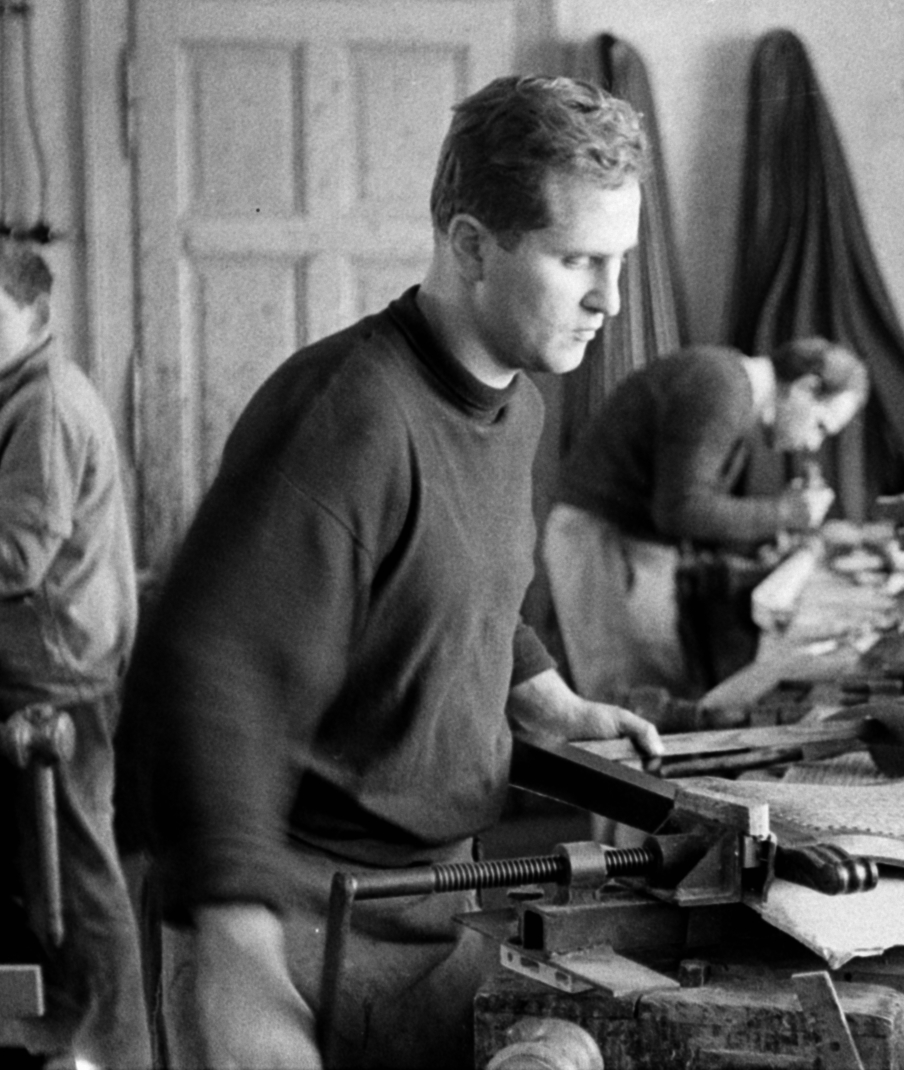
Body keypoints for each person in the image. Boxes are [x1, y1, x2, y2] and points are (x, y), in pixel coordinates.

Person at [119, 76, 664, 1069]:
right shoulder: (348, 416)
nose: (609, 300)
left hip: (429, 896)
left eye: (619, 261)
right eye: (578, 260)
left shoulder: (519, 404)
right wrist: (237, 951)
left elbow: (471, 575)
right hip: (288, 909)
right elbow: (205, 675)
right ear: (467, 246)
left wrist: (544, 697)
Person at [0, 239, 151, 1068]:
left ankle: (117, 1053)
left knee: (84, 883)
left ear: (36, 318)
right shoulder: (16, 392)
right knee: (50, 878)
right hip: (43, 669)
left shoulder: (47, 404)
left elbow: (17, 555)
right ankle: (70, 1040)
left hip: (55, 680)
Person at [544, 339, 869, 704]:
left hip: (628, 543)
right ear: (805, 388)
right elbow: (681, 511)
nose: (811, 444)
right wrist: (787, 514)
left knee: (657, 695)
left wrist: (769, 534)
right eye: (821, 426)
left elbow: (688, 502)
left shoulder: (731, 387)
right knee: (635, 701)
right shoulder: (721, 386)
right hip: (605, 541)